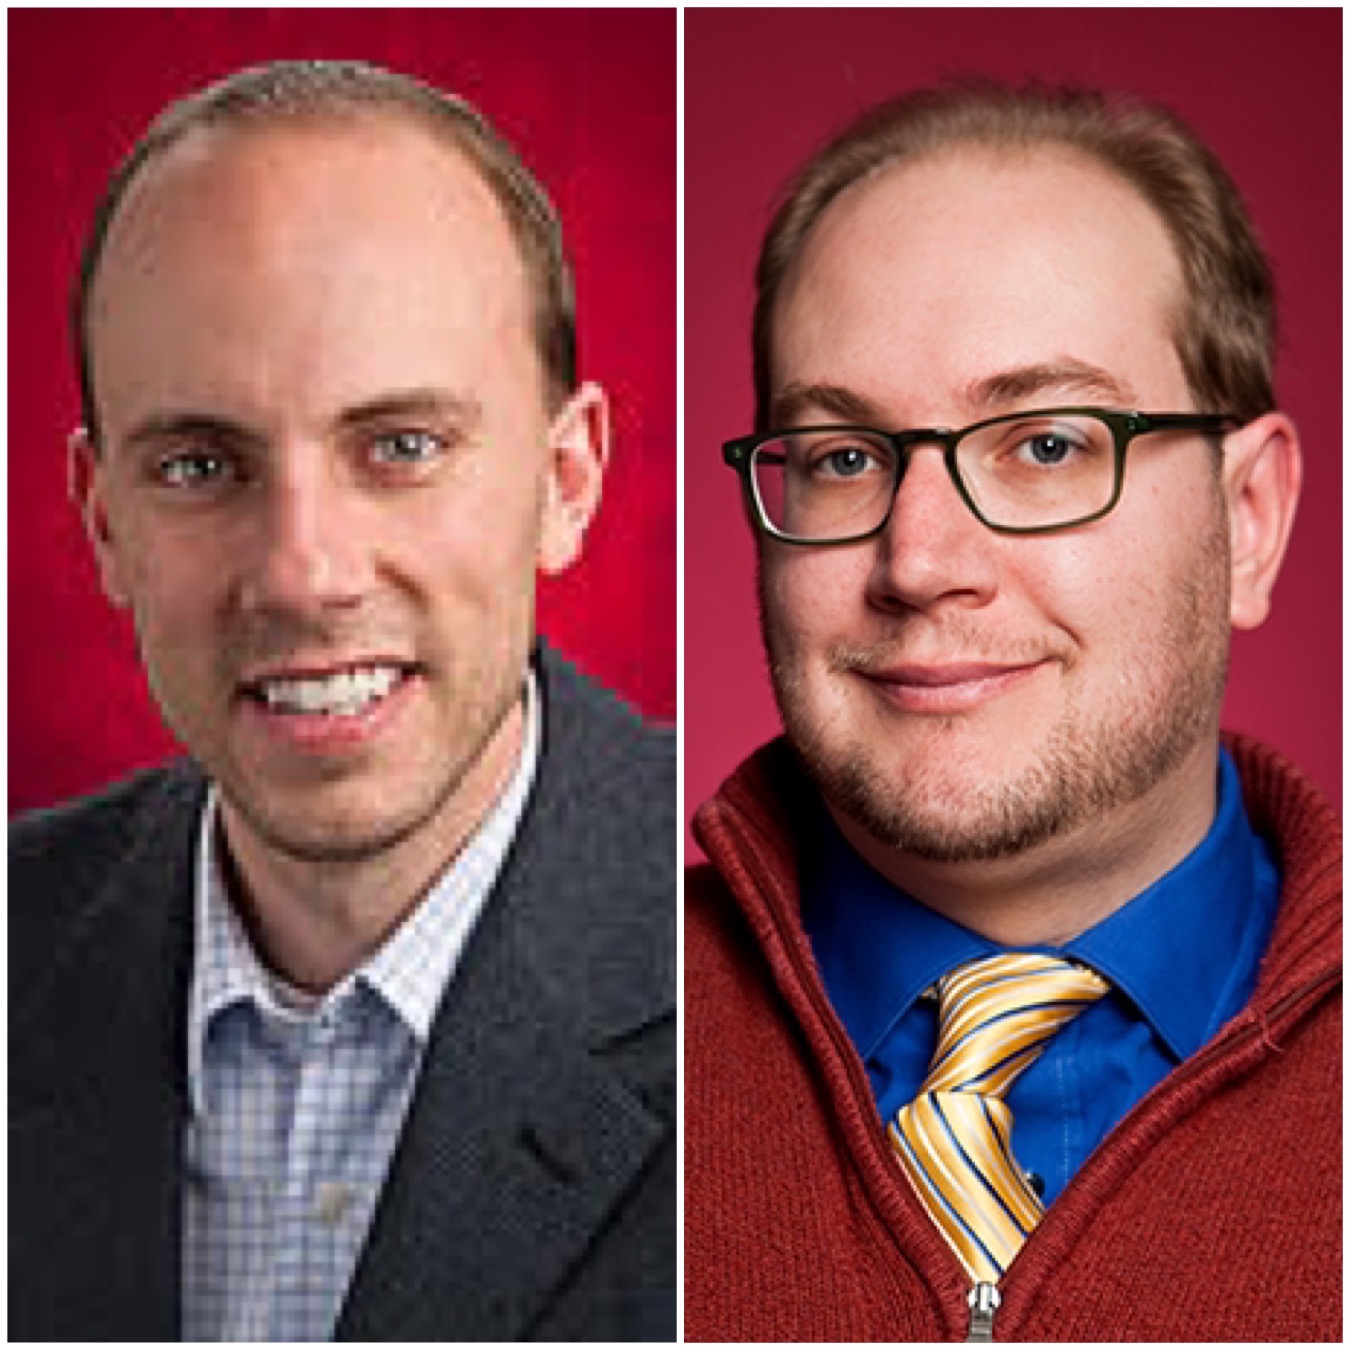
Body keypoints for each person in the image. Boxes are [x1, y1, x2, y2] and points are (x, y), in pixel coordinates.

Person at [11, 60, 674, 1343]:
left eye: (402, 447)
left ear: (567, 478)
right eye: (202, 464)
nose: (305, 574)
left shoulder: (786, 980)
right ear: (104, 521)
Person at [686, 80, 1340, 1343]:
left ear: (1246, 520)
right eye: (842, 458)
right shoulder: (614, 1026)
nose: (921, 559)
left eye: (1046, 444)